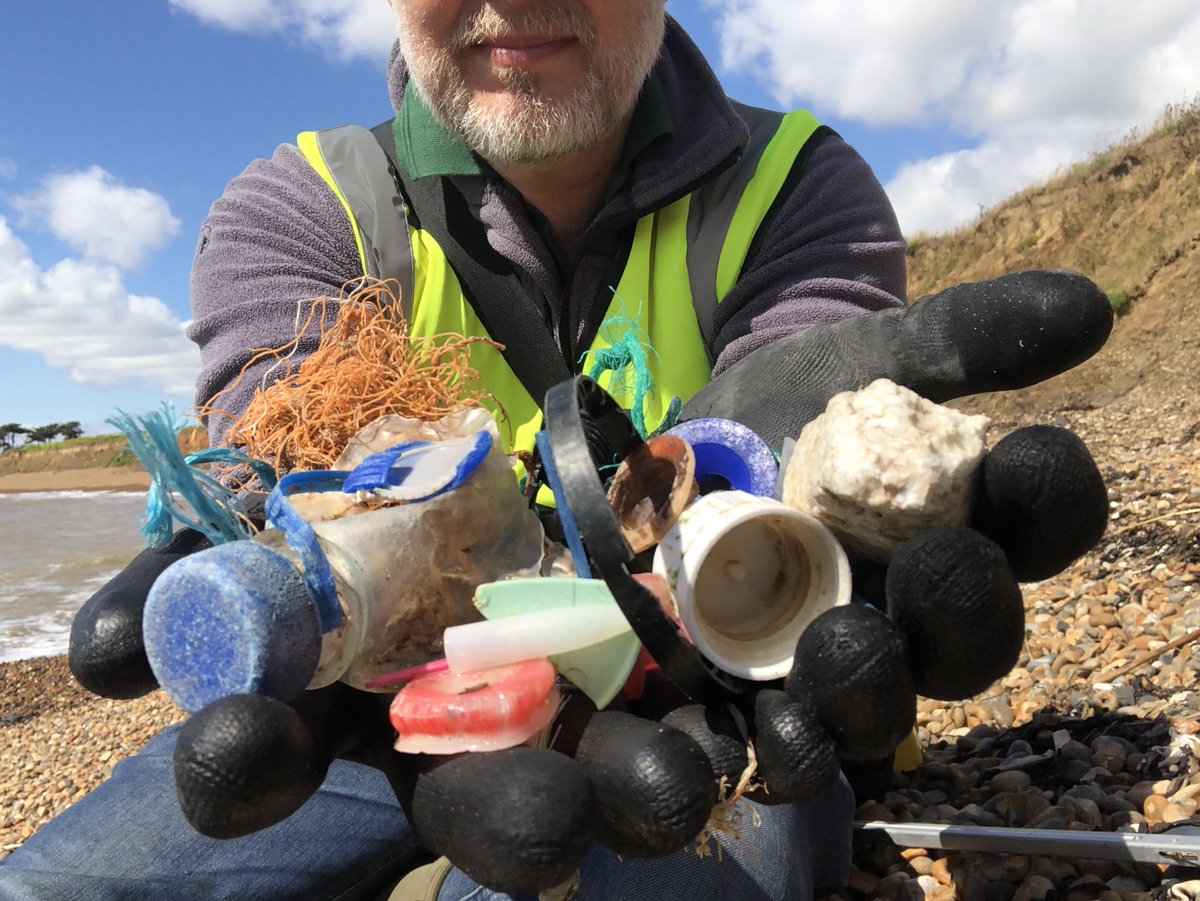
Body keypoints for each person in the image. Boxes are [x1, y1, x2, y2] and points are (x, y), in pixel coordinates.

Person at [0, 2, 1114, 900]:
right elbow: (274, 436)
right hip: (358, 709)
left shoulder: (797, 182)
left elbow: (800, 432)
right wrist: (283, 555)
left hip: (700, 708)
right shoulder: (305, 200)